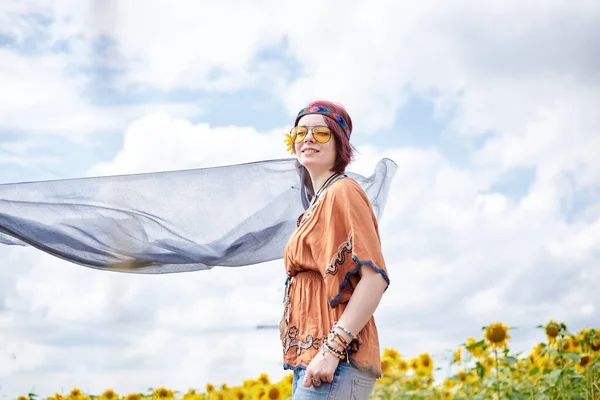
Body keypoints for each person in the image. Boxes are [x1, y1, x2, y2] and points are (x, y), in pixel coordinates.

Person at [280, 100, 390, 399]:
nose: (309, 139)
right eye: (300, 132)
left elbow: (374, 279)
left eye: (322, 133)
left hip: (335, 359)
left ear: (340, 145)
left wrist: (331, 350)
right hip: (312, 359)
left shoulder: (343, 191)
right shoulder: (313, 206)